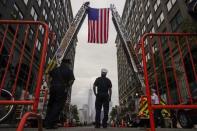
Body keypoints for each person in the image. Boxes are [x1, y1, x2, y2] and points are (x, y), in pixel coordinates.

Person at [44, 58, 75, 129]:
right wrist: (68, 86)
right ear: (67, 63)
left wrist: (49, 85)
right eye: (69, 64)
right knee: (58, 106)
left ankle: (46, 123)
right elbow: (72, 80)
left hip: (53, 88)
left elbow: (47, 76)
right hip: (61, 89)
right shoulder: (69, 71)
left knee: (50, 105)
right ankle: (50, 123)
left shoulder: (55, 69)